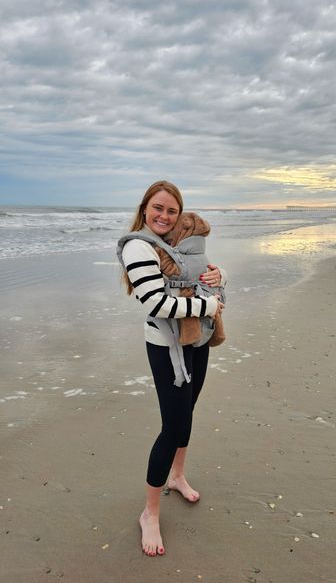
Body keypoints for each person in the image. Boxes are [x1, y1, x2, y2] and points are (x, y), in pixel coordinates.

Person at [118, 181, 225, 557]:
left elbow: (197, 270)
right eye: (158, 208)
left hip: (194, 341)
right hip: (166, 346)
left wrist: (218, 277)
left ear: (180, 215)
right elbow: (155, 302)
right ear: (145, 208)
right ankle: (150, 513)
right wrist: (207, 308)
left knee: (188, 412)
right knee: (174, 426)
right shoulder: (137, 246)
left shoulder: (178, 240)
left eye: (172, 211)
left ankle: (177, 476)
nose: (164, 216)